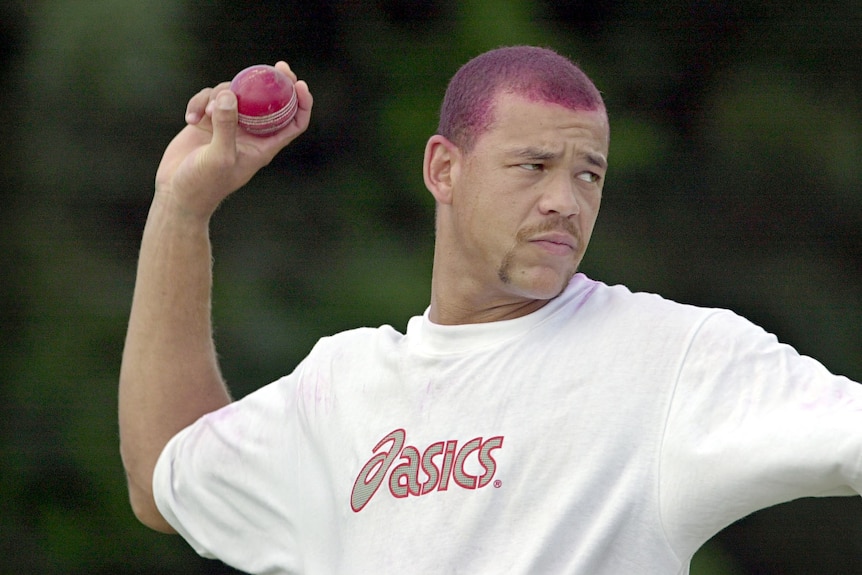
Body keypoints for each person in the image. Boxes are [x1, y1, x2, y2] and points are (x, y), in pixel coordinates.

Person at [119, 46, 862, 574]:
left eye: (588, 174)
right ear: (444, 168)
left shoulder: (674, 358)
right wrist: (182, 208)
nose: (564, 202)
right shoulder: (338, 389)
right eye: (534, 166)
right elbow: (162, 476)